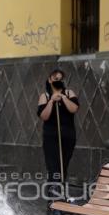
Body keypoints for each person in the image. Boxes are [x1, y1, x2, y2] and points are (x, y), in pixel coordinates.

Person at [37, 68, 79, 197]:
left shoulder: (69, 92)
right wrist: (52, 101)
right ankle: (53, 196)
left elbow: (74, 109)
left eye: (60, 79)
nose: (58, 81)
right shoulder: (44, 96)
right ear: (50, 80)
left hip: (67, 136)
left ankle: (60, 194)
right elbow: (43, 116)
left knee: (63, 166)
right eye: (55, 79)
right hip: (51, 137)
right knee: (53, 166)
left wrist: (63, 98)